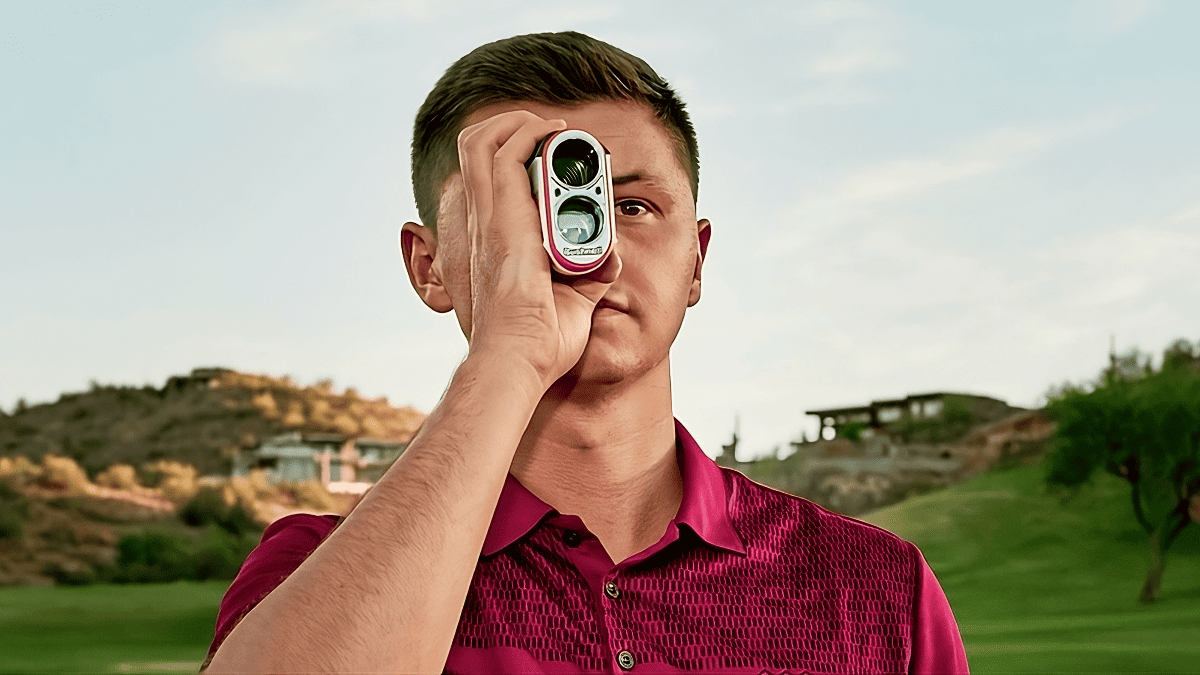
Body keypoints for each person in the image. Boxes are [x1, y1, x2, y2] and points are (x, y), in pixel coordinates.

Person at [202, 31, 970, 674]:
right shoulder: (309, 574)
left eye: (630, 206)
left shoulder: (875, 589)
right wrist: (512, 350)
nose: (583, 253)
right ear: (428, 265)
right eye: (520, 207)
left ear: (696, 259)